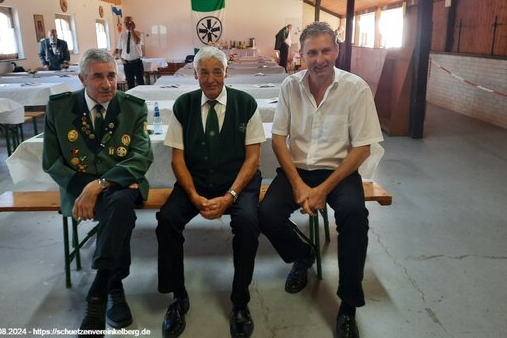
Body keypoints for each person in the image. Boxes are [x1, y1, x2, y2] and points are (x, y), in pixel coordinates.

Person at [259, 22, 383, 338]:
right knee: (266, 214)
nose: (319, 59)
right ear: (301, 55)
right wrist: (298, 185)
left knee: (354, 216)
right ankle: (303, 255)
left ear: (336, 51)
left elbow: (363, 147)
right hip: (299, 169)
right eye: (312, 52)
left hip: (339, 171)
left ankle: (349, 305)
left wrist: (323, 190)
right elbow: (278, 139)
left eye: (326, 51)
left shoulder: (356, 88)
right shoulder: (290, 86)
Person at [42, 48, 153, 337]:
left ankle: (99, 291)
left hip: (118, 185)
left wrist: (98, 186)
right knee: (120, 209)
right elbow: (52, 162)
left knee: (120, 202)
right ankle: (113, 287)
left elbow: (141, 157)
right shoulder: (60, 108)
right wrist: (86, 189)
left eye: (111, 76)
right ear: (82, 79)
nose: (107, 84)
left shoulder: (133, 107)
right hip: (80, 189)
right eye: (98, 77)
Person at [156, 46, 266, 338]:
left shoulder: (246, 104)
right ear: (195, 74)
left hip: (237, 183)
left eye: (217, 71)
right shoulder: (184, 105)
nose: (210, 78)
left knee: (247, 222)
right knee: (167, 220)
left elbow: (253, 160)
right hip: (196, 182)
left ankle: (240, 302)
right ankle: (178, 297)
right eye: (203, 72)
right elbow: (177, 160)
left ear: (226, 72)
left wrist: (230, 196)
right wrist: (193, 196)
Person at [116, 16, 145, 89]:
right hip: (127, 63)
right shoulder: (122, 35)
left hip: (137, 62)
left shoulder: (138, 33)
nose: (126, 24)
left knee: (140, 83)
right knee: (130, 84)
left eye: (128, 22)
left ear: (132, 23)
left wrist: (132, 30)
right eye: (125, 23)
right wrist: (121, 59)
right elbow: (119, 49)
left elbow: (137, 41)